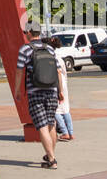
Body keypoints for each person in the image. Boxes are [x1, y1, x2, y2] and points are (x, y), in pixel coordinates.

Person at [14, 23, 60, 168]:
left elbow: (20, 71)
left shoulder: (25, 49)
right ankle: (50, 154)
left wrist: (18, 90)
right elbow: (58, 71)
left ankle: (52, 160)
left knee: (42, 126)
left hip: (35, 92)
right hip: (52, 91)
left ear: (29, 32)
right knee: (51, 124)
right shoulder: (50, 49)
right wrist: (60, 91)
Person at [51, 37, 74, 141]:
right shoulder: (60, 58)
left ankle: (64, 132)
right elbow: (64, 73)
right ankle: (71, 132)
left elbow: (58, 73)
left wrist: (59, 90)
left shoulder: (52, 58)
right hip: (64, 83)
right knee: (66, 109)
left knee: (56, 110)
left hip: (57, 84)